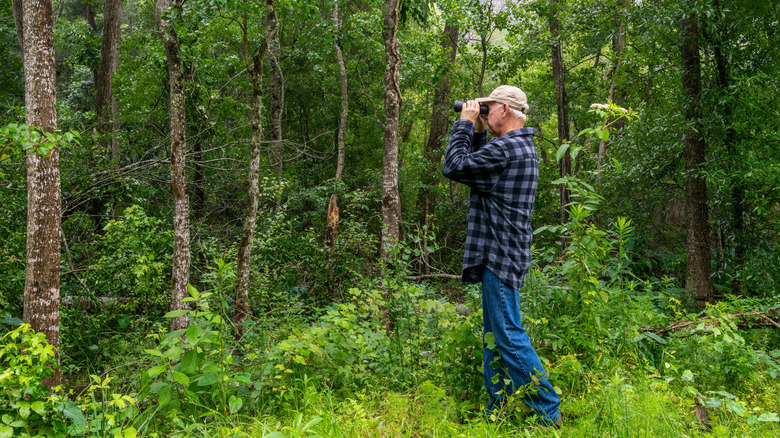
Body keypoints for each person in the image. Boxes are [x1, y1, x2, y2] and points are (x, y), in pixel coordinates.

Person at [441, 85, 562, 427]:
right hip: (501, 251)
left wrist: (464, 124)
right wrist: (478, 131)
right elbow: (477, 172)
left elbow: (454, 166)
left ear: (505, 110)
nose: (484, 112)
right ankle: (500, 408)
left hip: (500, 255)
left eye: (488, 107)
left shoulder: (507, 149)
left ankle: (547, 410)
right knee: (494, 338)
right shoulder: (516, 146)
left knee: (507, 335)